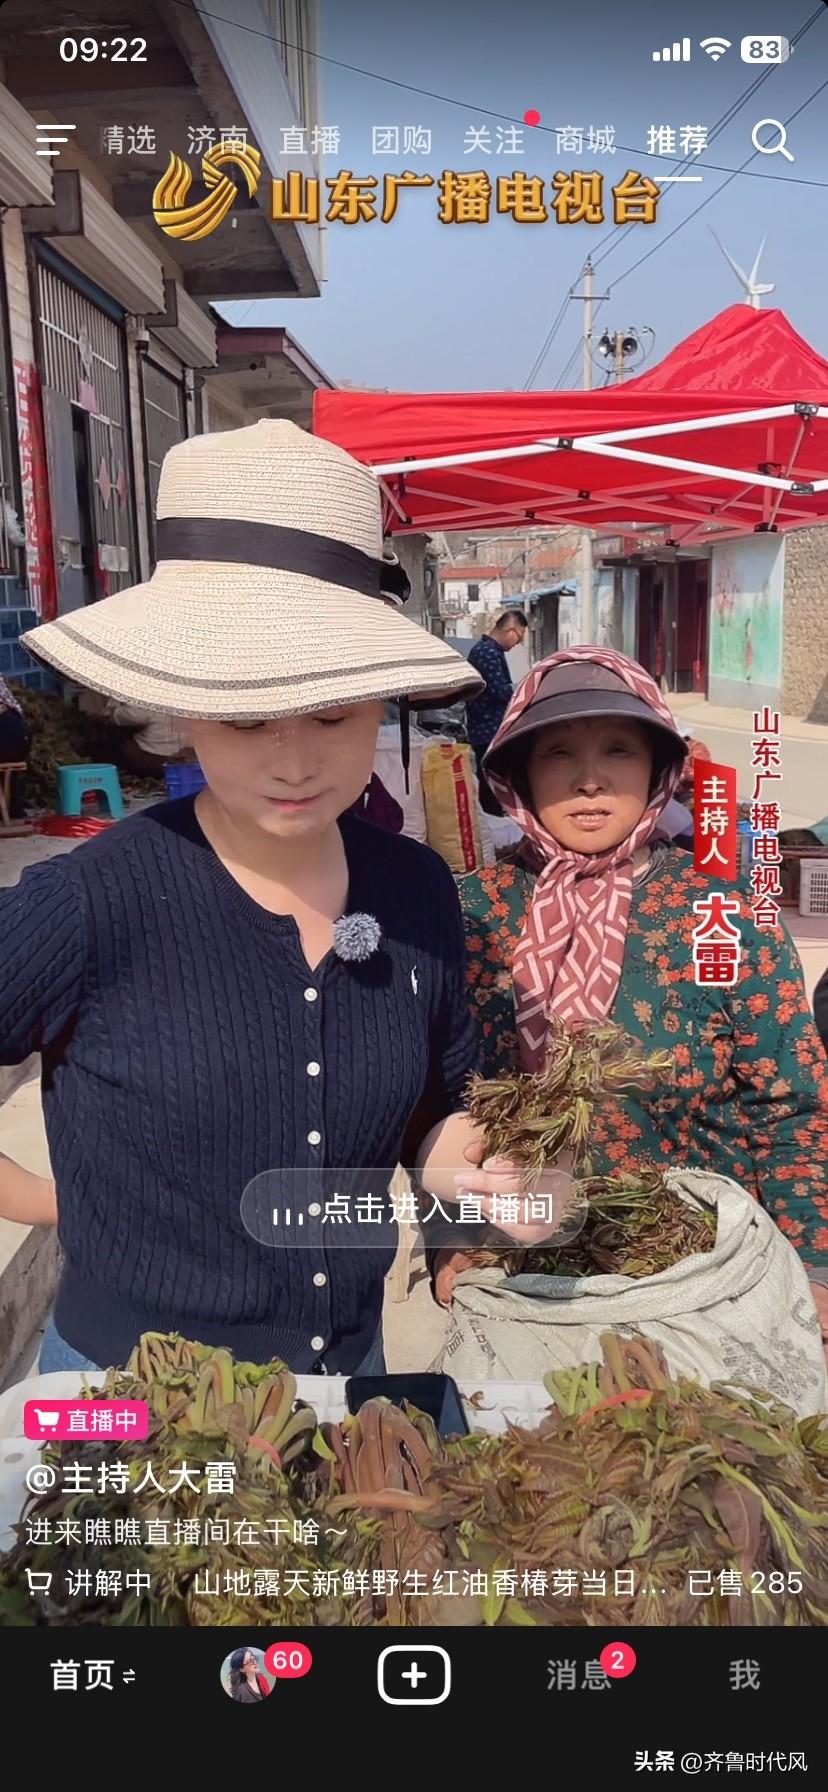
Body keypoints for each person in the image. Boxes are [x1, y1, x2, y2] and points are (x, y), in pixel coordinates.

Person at [0, 418, 486, 1377]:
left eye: (334, 712)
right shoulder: (93, 902)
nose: (294, 761)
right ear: (183, 706)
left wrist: (472, 1184)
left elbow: (441, 1106)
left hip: (351, 1395)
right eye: (246, 715)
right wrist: (54, 1200)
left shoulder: (417, 890)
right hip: (123, 1411)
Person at [423, 647, 828, 1356]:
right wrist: (451, 1236)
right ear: (516, 775)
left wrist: (816, 1264)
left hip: (709, 1280)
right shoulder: (470, 916)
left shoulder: (721, 915)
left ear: (656, 772)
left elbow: (792, 1107)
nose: (589, 779)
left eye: (618, 749)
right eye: (558, 754)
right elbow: (438, 1104)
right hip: (528, 1275)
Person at [465, 611, 528, 817]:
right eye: (518, 637)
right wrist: (523, 688)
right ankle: (494, 828)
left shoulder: (488, 651)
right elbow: (500, 692)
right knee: (491, 783)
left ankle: (494, 824)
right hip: (487, 729)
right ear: (510, 631)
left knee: (491, 781)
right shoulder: (487, 653)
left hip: (487, 728)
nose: (516, 644)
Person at [0, 676, 32, 818]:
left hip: (9, 734)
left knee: (6, 771)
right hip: (19, 733)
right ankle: (13, 810)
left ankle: (9, 810)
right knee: (9, 775)